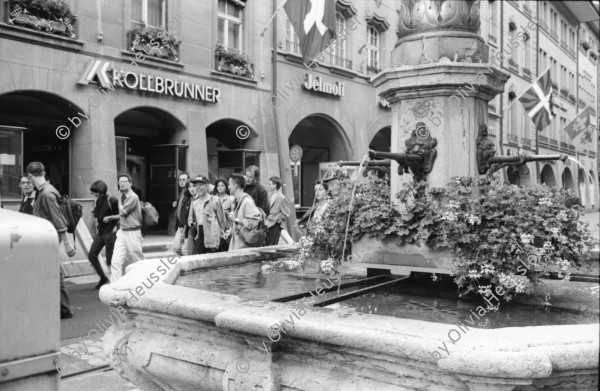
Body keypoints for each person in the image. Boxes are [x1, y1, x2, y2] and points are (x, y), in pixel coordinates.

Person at [26, 161, 74, 319]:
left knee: (54, 271)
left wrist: (68, 245)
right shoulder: (45, 190)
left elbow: (58, 220)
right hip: (46, 237)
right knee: (50, 270)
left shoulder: (46, 193)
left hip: (49, 238)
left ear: (31, 176)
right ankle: (57, 306)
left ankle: (64, 309)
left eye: (29, 178)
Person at [104, 174, 144, 282]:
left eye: (125, 182)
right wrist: (111, 217)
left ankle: (144, 282)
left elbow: (123, 212)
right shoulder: (123, 197)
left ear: (130, 183)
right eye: (120, 182)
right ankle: (115, 285)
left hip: (133, 232)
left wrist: (118, 196)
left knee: (138, 261)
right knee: (116, 261)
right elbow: (123, 215)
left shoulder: (133, 197)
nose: (122, 184)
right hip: (122, 231)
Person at [88, 180, 118, 289]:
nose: (94, 195)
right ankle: (103, 277)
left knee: (110, 259)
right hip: (101, 232)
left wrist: (115, 226)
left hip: (110, 232)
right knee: (92, 255)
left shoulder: (112, 200)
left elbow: (121, 214)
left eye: (95, 192)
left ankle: (114, 283)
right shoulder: (98, 201)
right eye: (93, 193)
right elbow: (98, 214)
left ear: (101, 191)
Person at [187, 175, 227, 254]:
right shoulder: (194, 203)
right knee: (196, 258)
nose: (198, 188)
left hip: (213, 234)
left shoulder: (215, 200)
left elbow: (222, 220)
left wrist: (222, 233)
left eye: (201, 185)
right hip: (200, 234)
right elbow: (193, 221)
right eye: (196, 185)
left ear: (207, 186)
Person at [228, 173, 261, 251]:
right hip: (238, 245)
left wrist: (235, 219)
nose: (228, 187)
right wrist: (230, 231)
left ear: (236, 185)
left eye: (229, 184)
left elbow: (253, 223)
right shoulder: (236, 201)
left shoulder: (247, 201)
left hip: (245, 247)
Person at [172, 172, 192, 256]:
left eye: (184, 179)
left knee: (184, 250)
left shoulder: (190, 193)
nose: (181, 181)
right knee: (176, 248)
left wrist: (184, 230)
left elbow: (187, 213)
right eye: (180, 180)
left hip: (186, 227)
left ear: (188, 180)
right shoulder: (181, 193)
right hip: (180, 225)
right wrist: (176, 203)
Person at [266, 176, 290, 245]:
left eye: (269, 184)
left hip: (275, 226)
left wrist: (278, 220)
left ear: (275, 185)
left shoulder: (281, 197)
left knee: (272, 245)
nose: (268, 185)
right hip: (267, 224)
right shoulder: (269, 195)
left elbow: (286, 213)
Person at [213, 178, 234, 251]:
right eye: (218, 185)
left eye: (222, 185)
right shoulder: (213, 199)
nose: (220, 187)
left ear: (226, 187)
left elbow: (234, 216)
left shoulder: (230, 199)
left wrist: (230, 230)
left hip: (227, 231)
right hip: (216, 231)